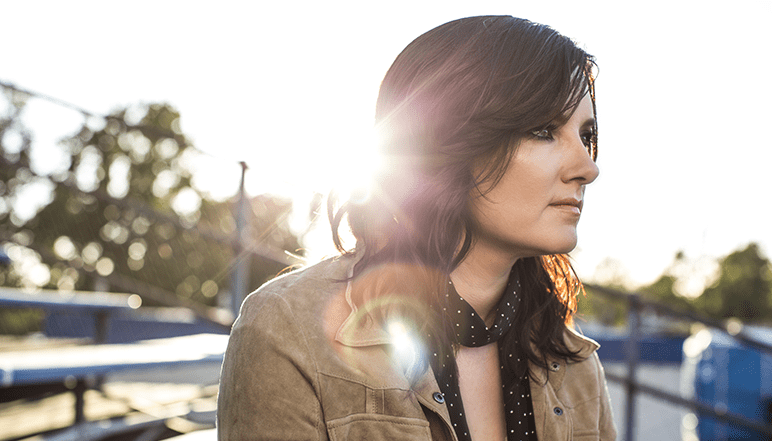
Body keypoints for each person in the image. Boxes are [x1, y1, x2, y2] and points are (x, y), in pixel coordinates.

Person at [218, 15, 616, 440]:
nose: (587, 168)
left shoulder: (574, 364)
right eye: (543, 130)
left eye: (586, 135)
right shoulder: (288, 331)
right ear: (447, 140)